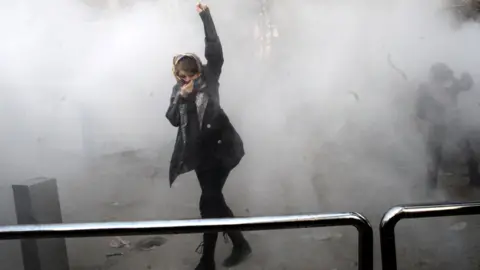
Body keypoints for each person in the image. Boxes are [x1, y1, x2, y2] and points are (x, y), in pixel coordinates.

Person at [165, 3, 252, 269]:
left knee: (208, 203)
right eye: (182, 76)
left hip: (223, 150)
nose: (187, 80)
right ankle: (240, 244)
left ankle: (207, 261)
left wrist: (206, 16)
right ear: (177, 75)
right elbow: (171, 119)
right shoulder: (178, 91)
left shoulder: (210, 78)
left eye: (192, 75)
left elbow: (214, 50)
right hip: (201, 156)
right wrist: (182, 99)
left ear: (199, 72)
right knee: (215, 201)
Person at [415, 62, 480, 188]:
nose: (445, 78)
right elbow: (420, 112)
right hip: (437, 127)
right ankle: (431, 189)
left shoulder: (450, 86)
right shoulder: (426, 89)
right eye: (443, 74)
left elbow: (466, 85)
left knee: (468, 150)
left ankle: (474, 179)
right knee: (434, 158)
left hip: (451, 125)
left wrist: (466, 77)